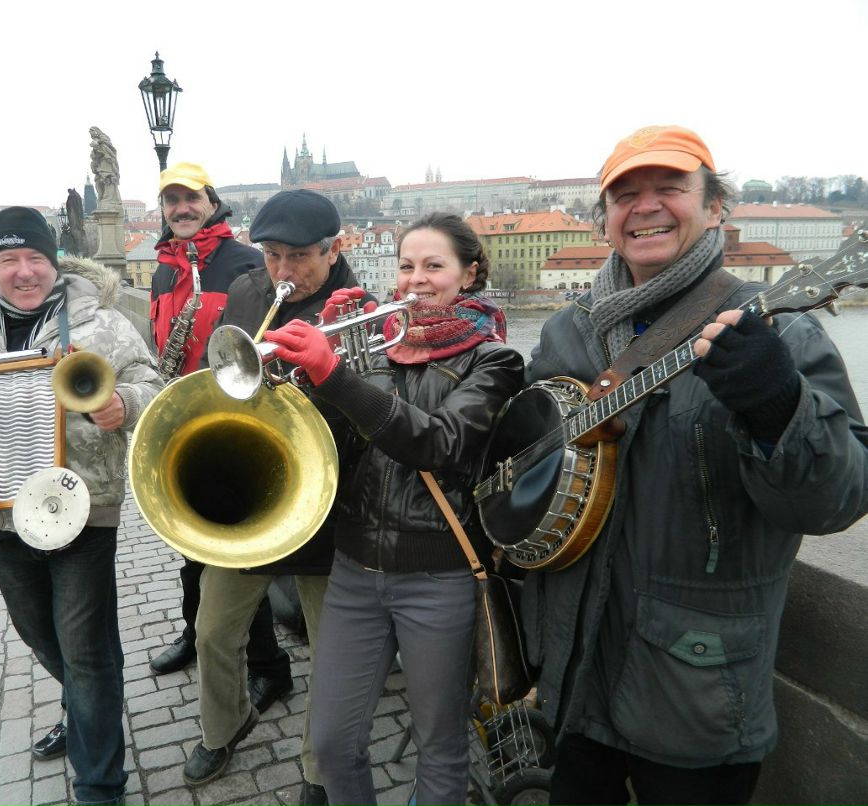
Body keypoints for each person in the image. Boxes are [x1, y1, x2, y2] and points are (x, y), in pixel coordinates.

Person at [520, 125, 868, 806]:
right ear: (606, 221)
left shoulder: (778, 330)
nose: (644, 205)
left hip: (697, 690)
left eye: (669, 188)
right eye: (624, 195)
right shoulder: (570, 330)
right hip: (576, 676)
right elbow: (532, 449)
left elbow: (842, 497)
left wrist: (779, 405)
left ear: (715, 208)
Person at [0, 206, 163, 806]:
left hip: (83, 510)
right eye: (9, 260)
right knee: (39, 635)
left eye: (36, 259)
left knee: (85, 648)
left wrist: (124, 402)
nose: (25, 272)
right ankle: (83, 707)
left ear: (54, 262)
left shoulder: (103, 324)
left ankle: (99, 783)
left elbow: (155, 391)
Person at [266, 212, 524, 806]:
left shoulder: (495, 361)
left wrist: (337, 373)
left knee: (440, 746)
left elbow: (441, 443)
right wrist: (316, 372)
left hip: (440, 576)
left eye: (435, 266)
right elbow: (328, 446)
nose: (415, 279)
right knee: (331, 743)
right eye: (407, 265)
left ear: (469, 273)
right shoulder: (377, 343)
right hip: (354, 571)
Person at [180, 190, 379, 805]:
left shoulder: (361, 311)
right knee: (213, 629)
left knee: (331, 652)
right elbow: (219, 379)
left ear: (334, 249)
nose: (284, 271)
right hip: (251, 495)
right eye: (272, 256)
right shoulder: (247, 292)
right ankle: (226, 723)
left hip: (329, 504)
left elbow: (374, 417)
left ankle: (319, 769)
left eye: (299, 257)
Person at [147, 163, 291, 714]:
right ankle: (194, 632)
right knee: (188, 545)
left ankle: (268, 667)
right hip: (182, 422)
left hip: (231, 425)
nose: (181, 209)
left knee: (235, 553)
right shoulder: (163, 268)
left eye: (191, 199)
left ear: (212, 202)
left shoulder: (244, 263)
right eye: (171, 201)